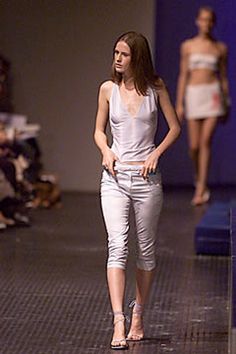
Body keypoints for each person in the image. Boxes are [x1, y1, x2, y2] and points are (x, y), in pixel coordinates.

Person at [94, 31, 180, 350]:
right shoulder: (107, 89)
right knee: (117, 245)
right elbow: (98, 131)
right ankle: (118, 320)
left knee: (145, 249)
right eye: (115, 52)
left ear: (137, 57)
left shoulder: (156, 88)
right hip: (114, 178)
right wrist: (106, 150)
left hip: (146, 179)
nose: (117, 58)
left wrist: (156, 153)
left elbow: (175, 127)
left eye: (124, 54)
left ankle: (138, 314)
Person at [176, 6, 230, 206]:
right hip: (193, 94)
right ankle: (198, 178)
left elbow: (223, 77)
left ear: (213, 23)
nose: (206, 23)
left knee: (206, 141)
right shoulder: (188, 46)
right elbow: (183, 74)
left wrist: (227, 102)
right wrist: (179, 102)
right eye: (203, 19)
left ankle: (201, 188)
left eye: (209, 20)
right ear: (197, 21)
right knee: (194, 146)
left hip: (213, 95)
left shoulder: (220, 48)